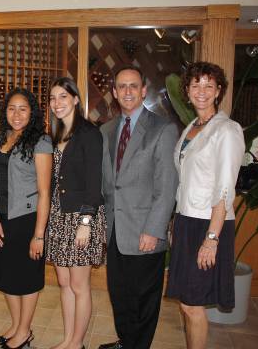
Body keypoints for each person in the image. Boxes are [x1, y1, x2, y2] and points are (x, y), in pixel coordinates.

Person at [98, 65, 179, 349]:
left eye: (134, 86)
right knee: (119, 295)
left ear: (144, 91)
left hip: (145, 231)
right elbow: (109, 185)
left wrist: (154, 230)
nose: (128, 91)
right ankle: (126, 341)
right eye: (122, 86)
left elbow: (167, 186)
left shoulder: (163, 129)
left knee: (144, 299)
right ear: (115, 92)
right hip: (115, 231)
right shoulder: (107, 130)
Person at [167, 62, 244, 349]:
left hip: (209, 224)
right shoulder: (192, 127)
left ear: (218, 91)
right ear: (187, 90)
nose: (202, 91)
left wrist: (211, 239)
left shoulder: (226, 130)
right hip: (187, 221)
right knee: (187, 304)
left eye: (208, 85)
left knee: (193, 304)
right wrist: (176, 222)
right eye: (196, 85)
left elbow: (224, 189)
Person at [0, 88, 52, 349]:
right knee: (7, 278)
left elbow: (45, 192)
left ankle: (24, 331)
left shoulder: (41, 141)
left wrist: (39, 234)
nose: (16, 114)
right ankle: (16, 325)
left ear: (32, 112)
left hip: (27, 218)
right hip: (2, 217)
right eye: (12, 108)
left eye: (23, 108)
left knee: (26, 278)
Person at [45, 76, 106, 349]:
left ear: (76, 100)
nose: (57, 103)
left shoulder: (89, 134)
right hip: (58, 216)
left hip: (81, 217)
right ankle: (69, 339)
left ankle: (77, 342)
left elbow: (95, 184)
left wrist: (85, 222)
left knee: (80, 285)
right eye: (53, 98)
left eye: (63, 97)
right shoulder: (55, 134)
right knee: (64, 282)